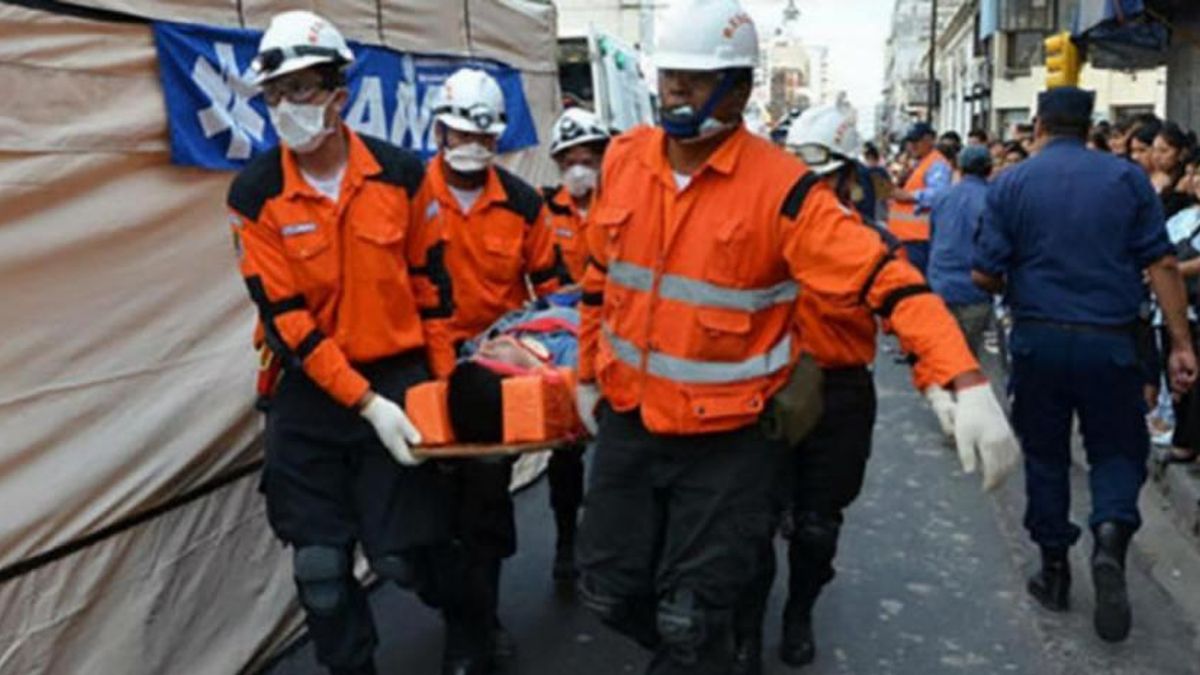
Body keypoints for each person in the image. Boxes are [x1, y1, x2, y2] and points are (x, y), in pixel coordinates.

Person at [572, 3, 1020, 673]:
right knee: (605, 590)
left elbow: (886, 279)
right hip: (631, 421)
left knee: (689, 619)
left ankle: (704, 648)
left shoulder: (783, 193)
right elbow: (599, 277)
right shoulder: (626, 161)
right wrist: (585, 371)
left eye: (695, 82)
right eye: (670, 78)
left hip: (727, 438)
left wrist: (963, 376)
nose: (675, 94)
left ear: (741, 89)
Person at [226, 12, 483, 675]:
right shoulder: (255, 195)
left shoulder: (401, 175)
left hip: (398, 376)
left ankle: (469, 620)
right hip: (308, 393)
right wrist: (366, 403)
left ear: (339, 95)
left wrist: (440, 386)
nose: (287, 108)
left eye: (302, 90)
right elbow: (287, 323)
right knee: (320, 569)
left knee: (408, 553)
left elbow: (434, 290)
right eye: (275, 95)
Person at [729, 102, 993, 675]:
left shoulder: (869, 244)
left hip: (837, 394)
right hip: (765, 389)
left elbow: (907, 308)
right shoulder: (756, 234)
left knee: (817, 525)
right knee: (749, 524)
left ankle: (798, 614)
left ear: (847, 179)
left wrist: (944, 383)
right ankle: (746, 632)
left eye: (823, 181)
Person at [973, 86, 1197, 644]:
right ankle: (1112, 531)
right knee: (1118, 449)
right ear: (1089, 123)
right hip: (1111, 341)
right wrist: (1181, 343)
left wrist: (1020, 280)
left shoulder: (1012, 183)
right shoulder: (1125, 180)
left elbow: (983, 273)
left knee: (1046, 457)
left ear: (1040, 123)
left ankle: (1053, 569)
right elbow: (1162, 262)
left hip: (1038, 340)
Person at [410, 66, 562, 672]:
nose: (471, 147)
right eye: (460, 135)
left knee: (483, 508)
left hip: (492, 382)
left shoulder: (524, 204)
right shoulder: (404, 194)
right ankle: (456, 608)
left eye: (484, 137)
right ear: (440, 132)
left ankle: (475, 629)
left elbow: (552, 299)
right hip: (420, 372)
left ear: (498, 139)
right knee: (420, 514)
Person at [536, 107, 611, 582]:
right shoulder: (545, 211)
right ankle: (567, 539)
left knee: (623, 448)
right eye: (569, 160)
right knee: (566, 450)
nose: (579, 168)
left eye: (588, 158)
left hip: (618, 338)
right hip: (568, 337)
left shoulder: (625, 205)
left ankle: (613, 542)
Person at [928, 145, 996, 358]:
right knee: (969, 362)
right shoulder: (992, 199)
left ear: (959, 167)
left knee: (942, 359)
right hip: (974, 291)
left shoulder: (942, 197)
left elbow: (934, 235)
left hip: (940, 286)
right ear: (989, 169)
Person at [888, 121, 952, 272]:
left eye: (916, 142)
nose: (912, 146)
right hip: (906, 238)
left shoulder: (937, 164)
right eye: (910, 142)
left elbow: (939, 194)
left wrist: (909, 195)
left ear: (930, 140)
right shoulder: (919, 163)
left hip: (918, 240)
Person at [1152, 121, 1197, 218]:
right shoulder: (1159, 180)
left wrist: (1178, 194)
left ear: (1181, 153)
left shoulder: (1188, 183)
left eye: (1164, 151)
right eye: (1154, 150)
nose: (1156, 156)